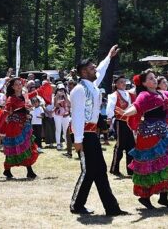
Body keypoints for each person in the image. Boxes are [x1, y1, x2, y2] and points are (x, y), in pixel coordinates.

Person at [70, 45, 128, 216]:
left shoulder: (91, 85)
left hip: (91, 134)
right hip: (84, 135)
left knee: (97, 170)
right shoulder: (79, 90)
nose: (95, 69)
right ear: (83, 72)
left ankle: (110, 207)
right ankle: (79, 205)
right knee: (90, 170)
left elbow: (101, 70)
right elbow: (78, 116)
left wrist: (109, 56)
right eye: (91, 67)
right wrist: (78, 140)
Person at [118, 69, 168, 209]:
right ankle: (144, 197)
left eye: (155, 78)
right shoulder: (144, 95)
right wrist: (125, 112)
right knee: (149, 166)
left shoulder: (163, 93)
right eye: (151, 78)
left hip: (163, 134)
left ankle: (163, 197)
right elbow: (135, 107)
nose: (154, 80)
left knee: (165, 165)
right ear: (144, 83)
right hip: (149, 136)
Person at [0, 78, 52, 179]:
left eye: (20, 84)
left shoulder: (25, 96)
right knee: (13, 148)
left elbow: (35, 92)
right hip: (14, 127)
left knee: (27, 147)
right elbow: (5, 113)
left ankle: (28, 171)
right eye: (16, 85)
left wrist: (45, 86)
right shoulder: (11, 99)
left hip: (25, 125)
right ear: (12, 87)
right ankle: (8, 170)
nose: (19, 86)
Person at [106, 76, 136, 176]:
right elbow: (110, 107)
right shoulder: (114, 95)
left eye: (124, 82)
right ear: (116, 84)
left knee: (131, 145)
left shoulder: (128, 93)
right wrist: (109, 118)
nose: (124, 83)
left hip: (129, 122)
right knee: (120, 145)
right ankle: (114, 168)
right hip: (120, 122)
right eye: (121, 82)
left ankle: (131, 169)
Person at [53, 84, 71, 151]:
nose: (61, 91)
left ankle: (67, 144)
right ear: (57, 90)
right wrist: (57, 96)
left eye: (62, 89)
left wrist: (65, 97)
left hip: (66, 115)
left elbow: (69, 104)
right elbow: (55, 105)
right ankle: (58, 144)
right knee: (58, 129)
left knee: (66, 130)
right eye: (60, 89)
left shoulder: (67, 96)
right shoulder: (55, 97)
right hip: (57, 115)